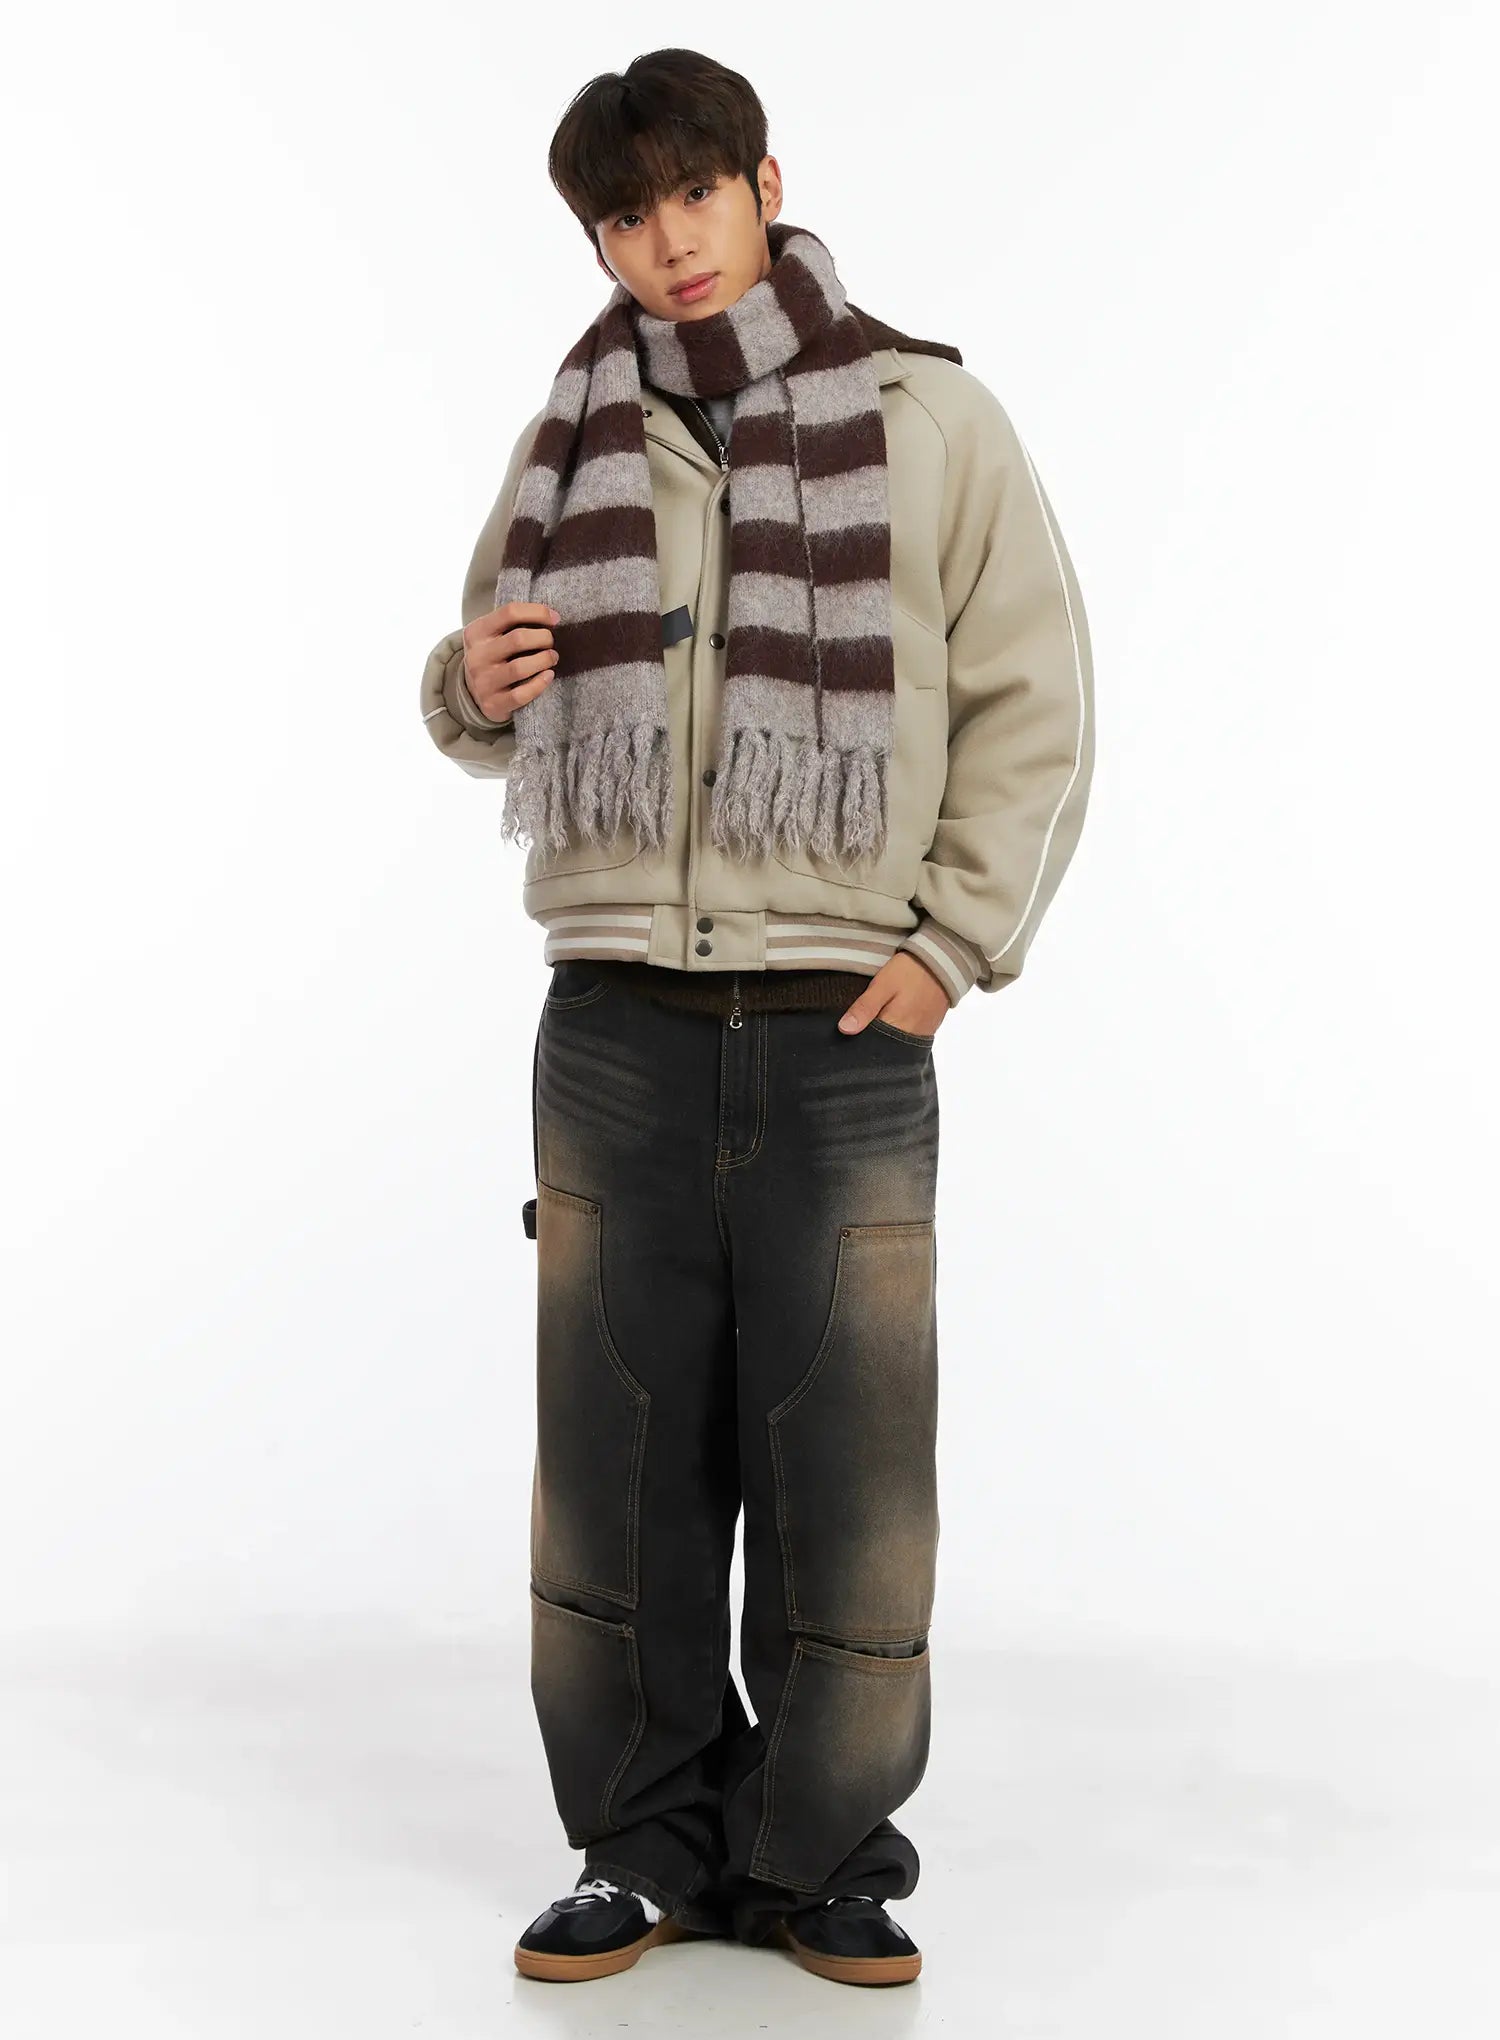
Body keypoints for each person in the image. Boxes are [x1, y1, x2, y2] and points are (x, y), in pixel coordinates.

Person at [419, 46, 1094, 1989]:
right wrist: (468, 686)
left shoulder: (930, 419)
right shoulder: (572, 437)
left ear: (765, 183)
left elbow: (1037, 698)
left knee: (845, 1454)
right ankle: (637, 1844)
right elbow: (489, 689)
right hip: (614, 1015)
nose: (669, 242)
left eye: (695, 193)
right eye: (625, 216)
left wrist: (954, 944)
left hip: (843, 1021)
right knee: (617, 1453)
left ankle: (823, 1859)